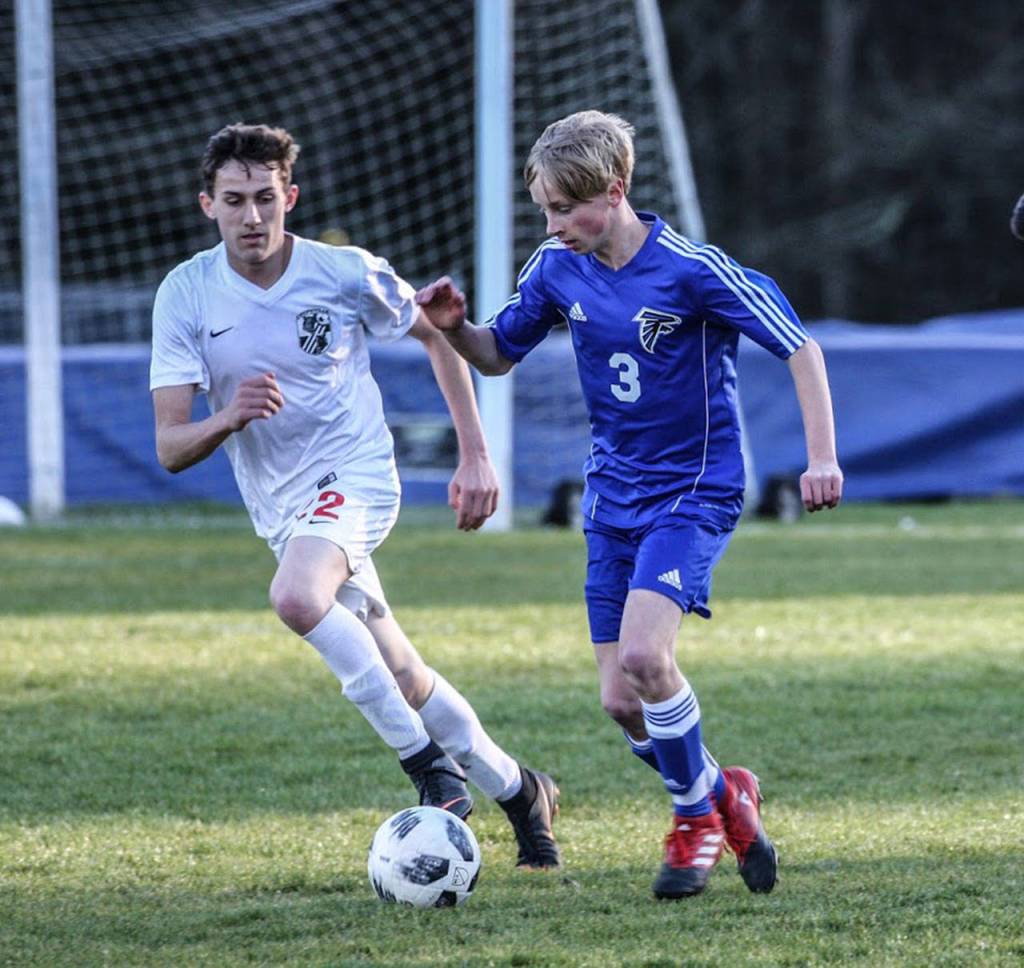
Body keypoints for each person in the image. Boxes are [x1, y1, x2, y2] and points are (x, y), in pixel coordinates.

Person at [416, 110, 843, 898]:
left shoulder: (691, 268)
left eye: (562, 210)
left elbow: (801, 345)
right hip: (612, 497)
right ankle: (727, 797)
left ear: (613, 192)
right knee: (620, 700)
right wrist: (453, 330)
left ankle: (692, 823)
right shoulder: (555, 267)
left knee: (648, 659)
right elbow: (498, 355)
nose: (551, 226)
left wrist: (822, 456)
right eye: (542, 210)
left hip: (694, 490)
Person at [149, 123, 560, 869]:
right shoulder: (184, 294)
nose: (252, 217)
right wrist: (229, 415)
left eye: (265, 199)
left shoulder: (344, 272)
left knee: (297, 599)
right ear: (207, 204)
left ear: (290, 197)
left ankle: (428, 768)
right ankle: (520, 790)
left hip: (358, 476)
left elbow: (438, 335)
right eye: (235, 200)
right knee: (401, 672)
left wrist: (474, 456)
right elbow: (171, 446)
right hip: (283, 509)